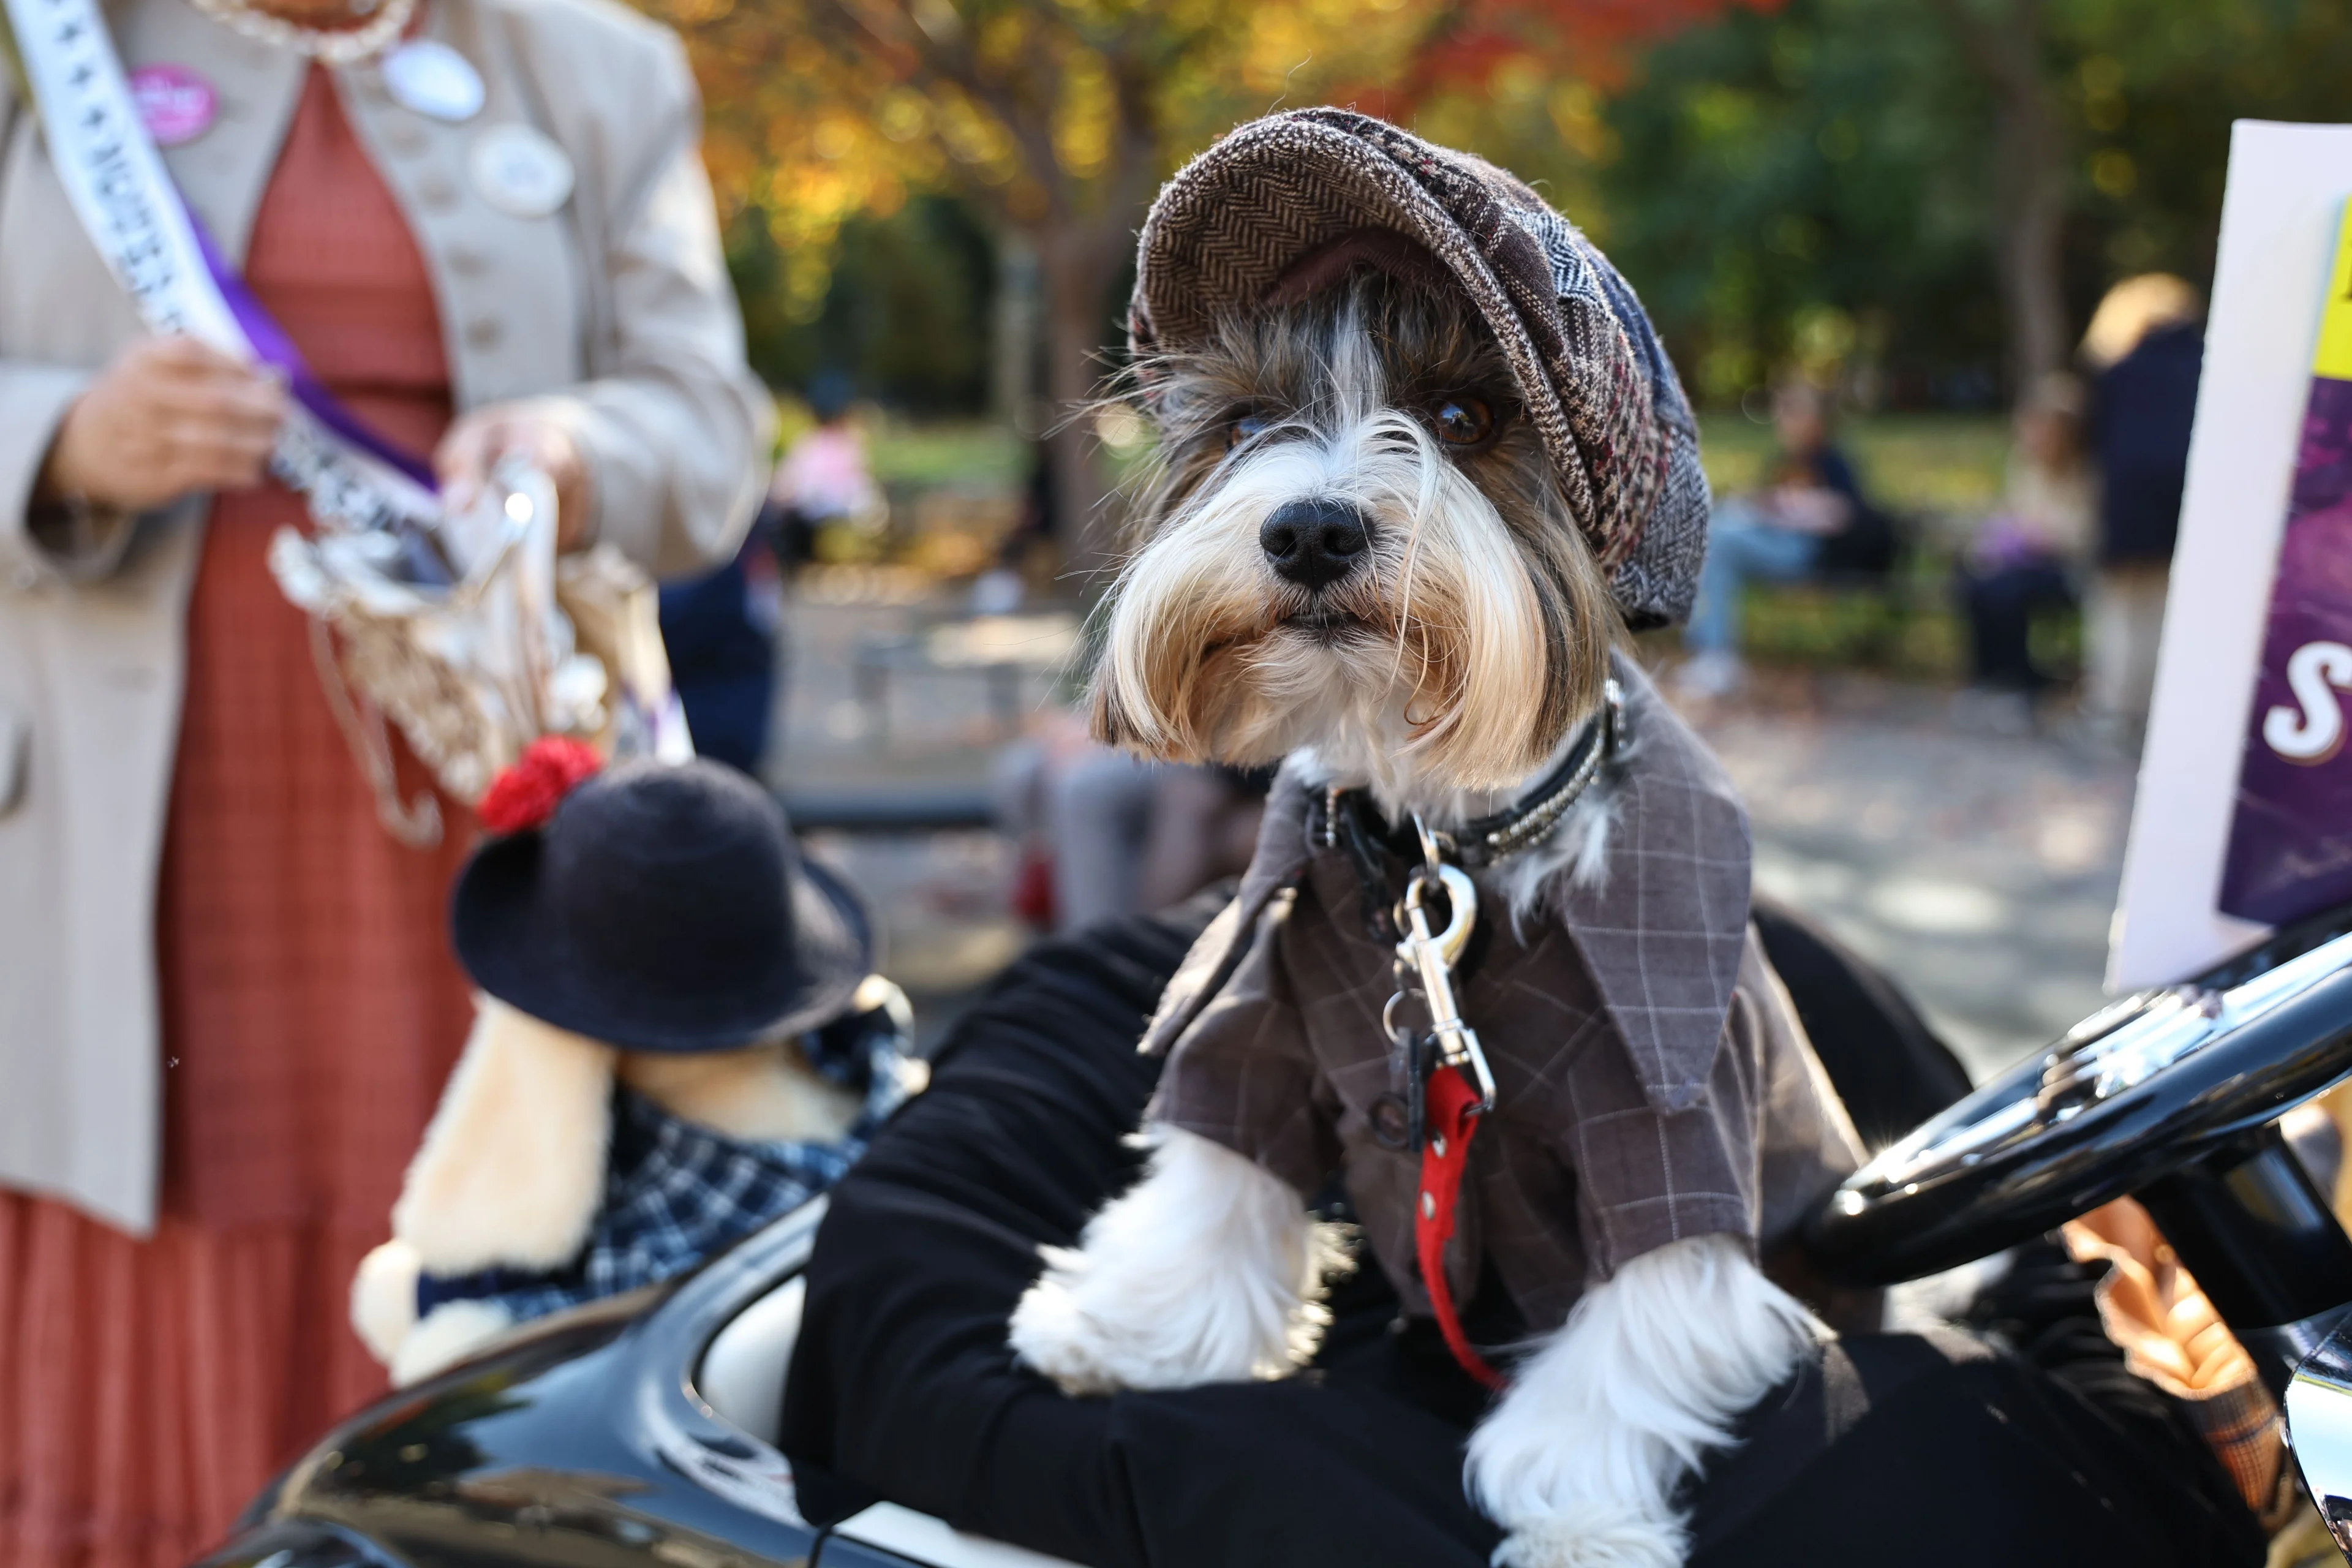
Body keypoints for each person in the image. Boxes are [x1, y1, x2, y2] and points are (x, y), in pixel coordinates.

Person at [0, 0, 771, 1555]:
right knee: (170, 1212)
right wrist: (65, 436)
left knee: (501, 1214)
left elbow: (710, 432)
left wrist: (569, 443)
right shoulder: (42, 37)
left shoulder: (600, 66)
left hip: (492, 823)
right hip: (125, 828)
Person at [1678, 382, 1874, 698]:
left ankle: (1716, 657)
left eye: (1795, 413)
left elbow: (1847, 513)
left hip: (1809, 554)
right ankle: (1714, 656)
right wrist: (1761, 506)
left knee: (1720, 538)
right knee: (1719, 540)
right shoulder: (1784, 460)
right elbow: (1766, 504)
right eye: (1784, 413)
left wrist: (1792, 509)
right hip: (1773, 543)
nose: (1786, 420)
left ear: (1816, 419)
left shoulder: (1832, 461)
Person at [2081, 274, 2204, 746]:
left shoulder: (2121, 369)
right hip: (2184, 506)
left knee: (2119, 609)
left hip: (2127, 506)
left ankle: (2115, 709)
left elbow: (2098, 441)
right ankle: (2160, 707)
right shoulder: (2202, 364)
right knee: (2166, 607)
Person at [1953, 373, 2098, 732]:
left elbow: (2084, 533)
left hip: (2069, 566)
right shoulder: (2025, 465)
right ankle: (1990, 677)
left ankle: (2021, 684)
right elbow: (2014, 513)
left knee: (2008, 592)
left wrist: (2041, 535)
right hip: (2024, 559)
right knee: (1974, 582)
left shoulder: (2090, 471)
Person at [767, 372, 884, 571]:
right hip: (834, 512)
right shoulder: (845, 443)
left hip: (827, 512)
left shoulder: (818, 443)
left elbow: (790, 484)